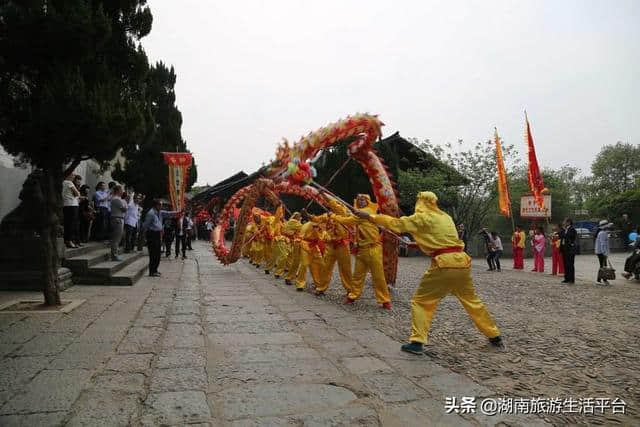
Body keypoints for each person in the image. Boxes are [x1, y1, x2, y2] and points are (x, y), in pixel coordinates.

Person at [356, 191, 503, 354]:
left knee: (421, 302)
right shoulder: (445, 217)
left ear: (421, 202)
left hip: (444, 264)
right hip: (461, 262)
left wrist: (370, 217)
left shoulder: (423, 217)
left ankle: (417, 341)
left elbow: (396, 224)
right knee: (472, 301)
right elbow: (440, 239)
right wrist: (418, 242)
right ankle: (494, 334)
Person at [311, 198, 354, 297]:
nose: (331, 206)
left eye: (335, 204)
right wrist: (310, 216)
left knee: (345, 269)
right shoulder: (327, 216)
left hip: (342, 245)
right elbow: (317, 219)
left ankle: (350, 290)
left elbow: (338, 208)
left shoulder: (344, 214)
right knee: (325, 268)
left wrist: (327, 198)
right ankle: (321, 288)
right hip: (330, 245)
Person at [142, 199, 180, 277]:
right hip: (152, 234)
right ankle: (152, 271)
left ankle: (155, 270)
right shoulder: (151, 213)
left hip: (158, 234)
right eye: (160, 205)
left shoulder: (160, 212)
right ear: (156, 205)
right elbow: (145, 225)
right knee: (153, 253)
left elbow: (169, 214)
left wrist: (179, 212)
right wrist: (145, 236)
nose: (161, 206)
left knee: (157, 253)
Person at [62, 172, 81, 248]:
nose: (74, 176)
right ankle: (69, 241)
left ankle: (68, 240)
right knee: (71, 224)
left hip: (66, 204)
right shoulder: (69, 182)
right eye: (73, 175)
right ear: (69, 175)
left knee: (67, 223)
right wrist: (78, 194)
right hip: (72, 205)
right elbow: (77, 193)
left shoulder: (63, 182)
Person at [109, 185, 127, 261]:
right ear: (118, 191)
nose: (123, 191)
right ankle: (114, 255)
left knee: (118, 238)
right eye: (121, 190)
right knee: (116, 238)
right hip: (117, 219)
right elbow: (124, 209)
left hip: (118, 218)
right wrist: (125, 206)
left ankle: (114, 254)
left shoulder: (118, 199)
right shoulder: (116, 199)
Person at [560, 217, 577, 284]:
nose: (564, 223)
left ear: (569, 222)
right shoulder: (564, 229)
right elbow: (561, 236)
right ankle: (566, 278)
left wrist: (564, 232)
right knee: (565, 264)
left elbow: (569, 237)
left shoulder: (572, 229)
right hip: (564, 248)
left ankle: (571, 279)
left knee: (570, 264)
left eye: (565, 222)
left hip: (570, 249)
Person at [595, 220, 612, 284]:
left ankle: (602, 279)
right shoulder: (602, 233)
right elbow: (603, 244)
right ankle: (601, 280)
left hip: (601, 252)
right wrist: (604, 252)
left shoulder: (603, 233)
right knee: (603, 266)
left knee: (603, 266)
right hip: (601, 252)